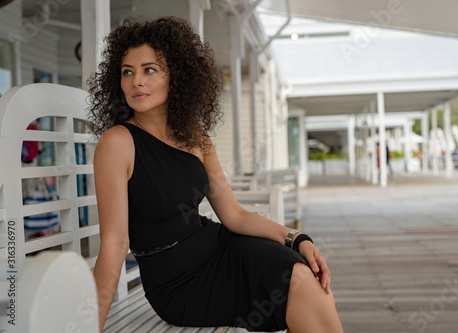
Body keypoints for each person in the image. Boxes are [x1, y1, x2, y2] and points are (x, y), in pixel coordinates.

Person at [87, 16, 343, 333]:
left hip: (220, 245)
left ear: (176, 76)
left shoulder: (197, 138)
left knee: (303, 274)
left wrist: (296, 238)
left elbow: (234, 215)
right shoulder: (118, 143)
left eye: (149, 69)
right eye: (128, 72)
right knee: (298, 285)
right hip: (177, 283)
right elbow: (114, 243)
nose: (136, 81)